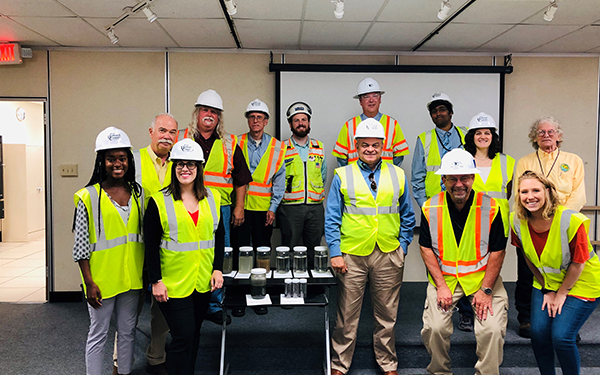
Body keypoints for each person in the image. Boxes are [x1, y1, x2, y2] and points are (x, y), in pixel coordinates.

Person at [325, 118, 415, 375]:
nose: (371, 149)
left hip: (388, 253)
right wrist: (335, 252)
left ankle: (388, 364)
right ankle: (339, 365)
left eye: (375, 145)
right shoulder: (342, 175)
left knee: (387, 314)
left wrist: (403, 247)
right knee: (346, 315)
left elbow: (408, 215)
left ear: (383, 145)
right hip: (351, 255)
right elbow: (332, 217)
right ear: (356, 145)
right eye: (365, 145)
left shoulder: (398, 174)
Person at [419, 149, 508, 375]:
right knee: (435, 327)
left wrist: (487, 289)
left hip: (482, 278)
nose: (459, 184)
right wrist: (440, 286)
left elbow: (498, 251)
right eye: (453, 178)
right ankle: (440, 372)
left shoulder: (491, 207)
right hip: (445, 279)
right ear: (443, 180)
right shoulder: (430, 207)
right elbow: (426, 248)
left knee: (492, 329)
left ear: (473, 178)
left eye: (465, 177)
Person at [144, 138, 225, 375]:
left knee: (194, 334)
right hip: (172, 284)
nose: (185, 169)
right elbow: (150, 246)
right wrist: (155, 281)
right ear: (173, 166)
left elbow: (218, 236)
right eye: (180, 164)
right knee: (183, 335)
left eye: (191, 164)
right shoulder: (159, 201)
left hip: (201, 281)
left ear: (199, 168)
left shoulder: (213, 197)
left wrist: (217, 269)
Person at [510, 170, 600, 375]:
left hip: (582, 281)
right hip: (546, 281)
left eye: (536, 190)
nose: (529, 196)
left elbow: (578, 263)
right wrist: (547, 288)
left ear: (548, 192)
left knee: (561, 336)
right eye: (524, 191)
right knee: (538, 333)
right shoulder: (516, 220)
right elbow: (528, 257)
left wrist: (561, 293)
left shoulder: (571, 220)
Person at [73, 127, 144, 375]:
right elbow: (80, 247)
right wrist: (89, 282)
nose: (117, 163)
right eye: (111, 158)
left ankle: (123, 372)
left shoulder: (138, 194)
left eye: (122, 158)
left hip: (132, 279)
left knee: (127, 331)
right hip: (101, 281)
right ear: (101, 161)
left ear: (129, 160)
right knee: (98, 334)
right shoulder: (88, 197)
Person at [180, 89, 252, 325]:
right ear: (197, 114)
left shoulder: (230, 144)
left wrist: (239, 208)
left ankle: (214, 304)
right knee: (186, 252)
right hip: (184, 205)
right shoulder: (183, 141)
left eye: (214, 112)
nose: (209, 115)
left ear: (219, 117)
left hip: (219, 209)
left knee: (220, 255)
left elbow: (241, 180)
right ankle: (187, 299)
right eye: (205, 110)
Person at [114, 113, 177, 375]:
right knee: (129, 309)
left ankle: (156, 358)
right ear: (151, 131)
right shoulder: (134, 160)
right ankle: (120, 363)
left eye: (172, 132)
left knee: (161, 309)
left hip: (167, 248)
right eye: (162, 130)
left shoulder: (181, 164)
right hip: (136, 246)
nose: (167, 136)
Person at [514, 116, 586, 338]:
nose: (547, 135)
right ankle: (526, 317)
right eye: (541, 132)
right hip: (533, 223)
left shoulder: (573, 160)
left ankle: (567, 321)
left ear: (559, 135)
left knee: (569, 272)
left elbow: (578, 194)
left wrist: (558, 218)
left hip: (564, 225)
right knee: (528, 271)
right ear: (534, 137)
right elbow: (521, 193)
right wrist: (540, 216)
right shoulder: (525, 161)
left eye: (551, 131)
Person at [411, 92, 473, 332]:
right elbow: (417, 177)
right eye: (434, 111)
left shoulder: (467, 134)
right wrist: (426, 207)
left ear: (451, 111)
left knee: (467, 259)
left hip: (465, 207)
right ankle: (441, 304)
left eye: (442, 109)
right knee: (435, 258)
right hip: (436, 211)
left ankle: (467, 312)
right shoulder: (424, 139)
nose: (439, 113)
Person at [233, 98, 286, 316]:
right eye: (252, 117)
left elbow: (279, 183)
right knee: (239, 254)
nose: (255, 121)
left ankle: (259, 295)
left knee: (262, 255)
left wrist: (273, 208)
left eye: (259, 117)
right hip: (241, 209)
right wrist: (238, 207)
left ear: (266, 121)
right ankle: (238, 297)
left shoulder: (278, 147)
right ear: (248, 120)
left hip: (264, 211)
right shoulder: (235, 143)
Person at [277, 101, 327, 269]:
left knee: (313, 249)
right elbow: (276, 178)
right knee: (289, 248)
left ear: (309, 123)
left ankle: (313, 291)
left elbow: (323, 174)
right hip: (291, 208)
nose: (301, 123)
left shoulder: (319, 147)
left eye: (304, 119)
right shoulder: (282, 148)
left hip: (315, 207)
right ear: (290, 124)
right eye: (296, 120)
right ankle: (289, 286)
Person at [332, 77, 409, 167]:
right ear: (360, 101)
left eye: (375, 95)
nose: (371, 100)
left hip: (385, 179)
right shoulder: (349, 126)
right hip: (356, 179)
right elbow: (341, 159)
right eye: (366, 97)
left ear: (380, 99)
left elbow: (399, 157)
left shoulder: (392, 124)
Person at [464, 112, 515, 236]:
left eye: (487, 133)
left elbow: (507, 192)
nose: (483, 137)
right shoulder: (463, 160)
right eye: (478, 133)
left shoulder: (507, 161)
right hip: (469, 222)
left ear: (493, 136)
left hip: (498, 222)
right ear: (472, 136)